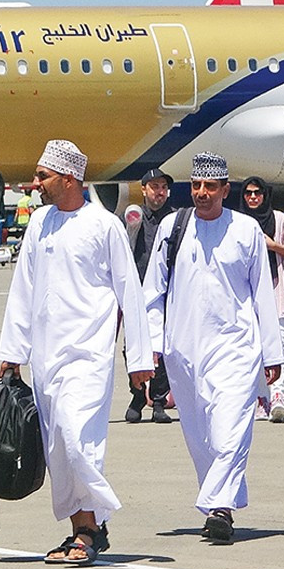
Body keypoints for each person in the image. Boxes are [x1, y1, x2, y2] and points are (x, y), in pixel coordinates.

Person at [0, 140, 153, 566]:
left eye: (43, 176)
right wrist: (13, 351)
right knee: (60, 451)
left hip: (89, 357)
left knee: (76, 437)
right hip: (46, 359)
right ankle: (81, 531)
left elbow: (131, 294)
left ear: (69, 178)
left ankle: (92, 525)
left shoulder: (105, 225)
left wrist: (140, 361)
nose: (36, 184)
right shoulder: (40, 224)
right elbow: (23, 290)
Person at [141, 152, 283, 543]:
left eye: (210, 187)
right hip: (182, 350)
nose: (202, 193)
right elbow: (153, 291)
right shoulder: (175, 226)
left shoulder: (246, 230)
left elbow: (262, 295)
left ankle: (219, 506)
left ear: (225, 190)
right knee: (200, 436)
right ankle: (219, 507)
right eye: (196, 186)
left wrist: (272, 353)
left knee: (230, 431)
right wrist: (151, 345)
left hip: (236, 347)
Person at [238, 177, 284, 423]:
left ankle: (277, 398)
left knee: (277, 349)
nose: (253, 198)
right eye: (248, 193)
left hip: (276, 297)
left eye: (257, 193)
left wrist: (273, 245)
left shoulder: (280, 220)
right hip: (246, 299)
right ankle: (259, 399)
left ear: (265, 195)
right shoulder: (238, 223)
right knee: (250, 351)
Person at [124, 168, 176, 424]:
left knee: (163, 348)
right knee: (133, 346)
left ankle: (157, 400)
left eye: (163, 187)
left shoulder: (176, 219)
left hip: (166, 293)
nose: (160, 192)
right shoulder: (135, 217)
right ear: (144, 190)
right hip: (137, 292)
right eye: (154, 187)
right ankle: (136, 394)